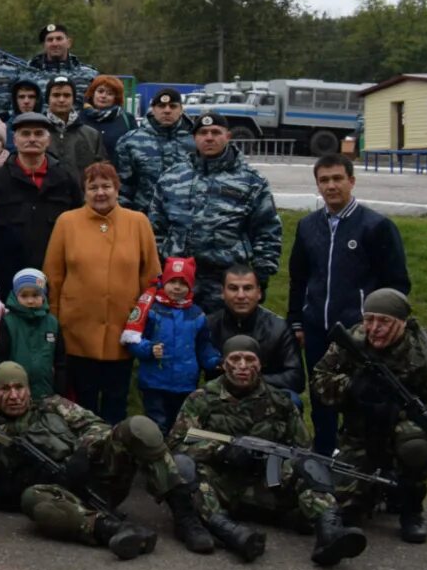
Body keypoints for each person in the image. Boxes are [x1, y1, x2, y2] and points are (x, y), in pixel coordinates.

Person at [167, 334, 367, 566]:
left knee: (309, 465)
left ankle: (330, 531)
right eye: (235, 358)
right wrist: (221, 450)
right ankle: (229, 531)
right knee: (184, 469)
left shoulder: (280, 402)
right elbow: (176, 445)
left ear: (260, 364)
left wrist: (272, 460)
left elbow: (303, 449)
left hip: (266, 484)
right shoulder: (201, 399)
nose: (242, 366)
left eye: (250, 359)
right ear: (223, 364)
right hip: (220, 484)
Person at [0, 360, 194, 558]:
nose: (14, 396)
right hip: (62, 499)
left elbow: (98, 426)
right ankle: (112, 530)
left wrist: (83, 452)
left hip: (100, 476)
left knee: (138, 427)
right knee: (32, 499)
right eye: (4, 389)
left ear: (28, 389)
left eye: (19, 387)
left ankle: (185, 515)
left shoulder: (53, 406)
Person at [309, 288, 427, 543]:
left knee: (416, 445)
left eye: (384, 322)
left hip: (402, 431)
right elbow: (319, 380)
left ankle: (411, 509)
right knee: (341, 506)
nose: (375, 328)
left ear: (402, 323)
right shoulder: (351, 342)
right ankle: (372, 491)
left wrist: (401, 412)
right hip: (360, 432)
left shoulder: (423, 355)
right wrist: (353, 387)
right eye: (369, 320)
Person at [287, 145, 411, 453]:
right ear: (317, 184)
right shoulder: (307, 226)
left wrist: (380, 324)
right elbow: (298, 278)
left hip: (361, 333)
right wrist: (297, 321)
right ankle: (324, 459)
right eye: (324, 180)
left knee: (362, 399)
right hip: (317, 328)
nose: (331, 186)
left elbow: (396, 283)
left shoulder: (376, 227)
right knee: (321, 399)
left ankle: (362, 461)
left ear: (351, 181)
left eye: (337, 179)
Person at [42, 160, 160, 423]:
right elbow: (54, 276)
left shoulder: (138, 222)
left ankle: (114, 450)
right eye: (93, 187)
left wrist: (145, 323)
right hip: (77, 330)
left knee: (116, 401)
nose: (100, 193)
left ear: (117, 190)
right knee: (83, 401)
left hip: (123, 330)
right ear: (84, 192)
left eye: (106, 186)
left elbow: (151, 277)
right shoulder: (67, 222)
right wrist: (54, 323)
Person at [154, 113, 279, 311]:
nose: (209, 137)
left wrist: (260, 278)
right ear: (194, 138)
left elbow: (267, 231)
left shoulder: (251, 181)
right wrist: (160, 268)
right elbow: (156, 227)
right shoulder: (172, 178)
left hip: (226, 283)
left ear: (228, 136)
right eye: (203, 132)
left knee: (224, 340)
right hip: (179, 281)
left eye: (215, 132)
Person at [126, 256, 217, 433]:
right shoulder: (151, 310)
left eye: (183, 283)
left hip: (185, 384)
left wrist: (213, 359)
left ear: (190, 286)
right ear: (163, 282)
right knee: (157, 424)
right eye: (172, 281)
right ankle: (156, 455)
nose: (177, 287)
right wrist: (149, 349)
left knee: (180, 426)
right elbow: (133, 340)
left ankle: (178, 457)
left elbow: (203, 345)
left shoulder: (197, 315)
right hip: (155, 382)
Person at [201, 263, 304, 405]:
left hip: (265, 395)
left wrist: (249, 379)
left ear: (259, 293)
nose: (241, 295)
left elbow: (296, 378)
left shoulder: (280, 328)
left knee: (293, 400)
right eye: (233, 288)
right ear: (222, 293)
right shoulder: (207, 325)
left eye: (248, 288)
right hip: (220, 396)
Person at [0, 109, 81, 271]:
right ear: (15, 140)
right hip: (9, 269)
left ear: (48, 140)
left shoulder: (65, 179)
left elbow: (79, 224)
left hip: (56, 269)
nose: (32, 139)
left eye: (38, 134)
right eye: (25, 134)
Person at [111, 85, 188, 225]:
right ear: (153, 109)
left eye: (173, 106)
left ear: (181, 110)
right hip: (144, 220)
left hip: (185, 223)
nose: (167, 110)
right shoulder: (131, 141)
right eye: (161, 106)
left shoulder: (196, 141)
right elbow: (123, 187)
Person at [0, 268, 65, 399]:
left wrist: (59, 391)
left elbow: (60, 361)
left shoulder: (52, 323)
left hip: (47, 392)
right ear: (16, 296)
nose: (30, 301)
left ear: (44, 295)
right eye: (24, 296)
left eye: (35, 295)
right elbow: (0, 360)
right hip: (15, 395)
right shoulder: (8, 322)